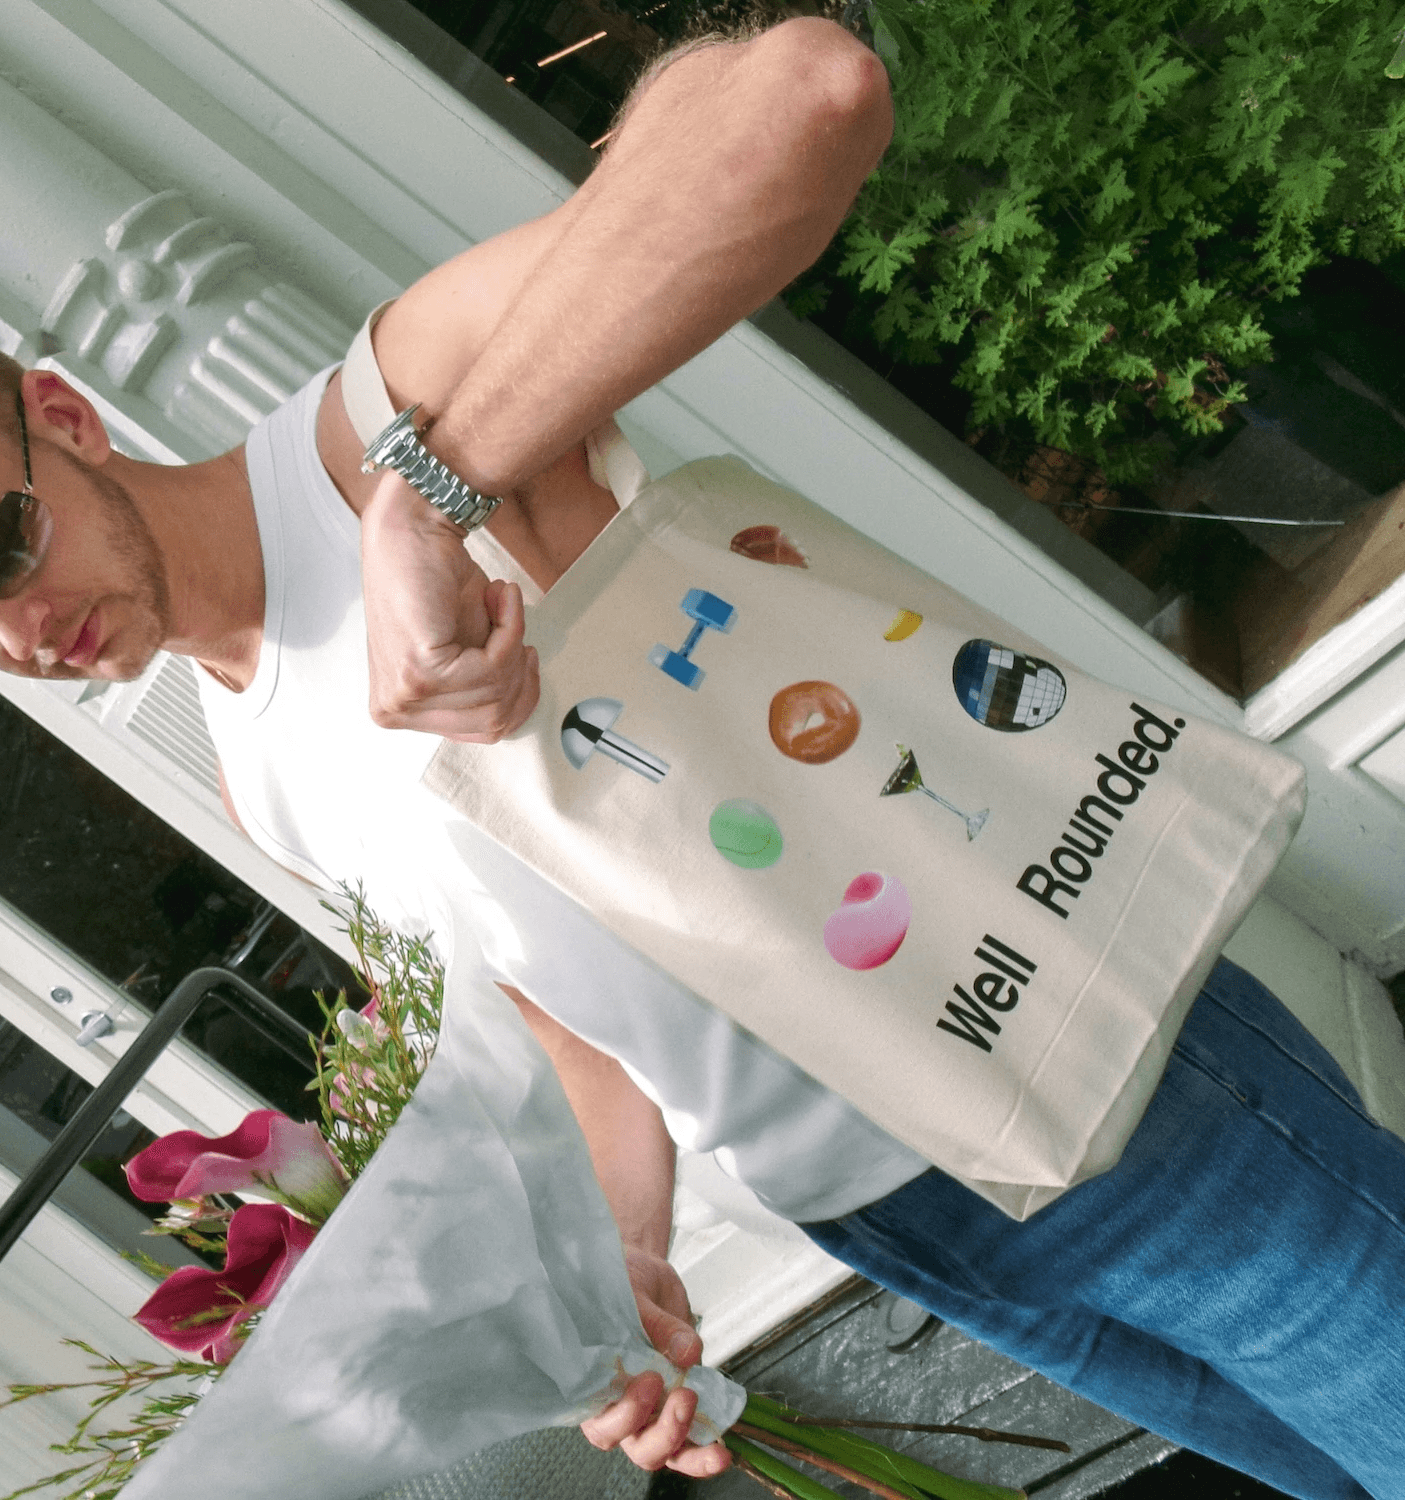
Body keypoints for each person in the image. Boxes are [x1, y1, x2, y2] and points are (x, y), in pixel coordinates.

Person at [1, 20, 1402, 1499]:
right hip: (887, 1218)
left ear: (66, 418)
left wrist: (423, 498)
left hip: (1050, 1064)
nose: (23, 632)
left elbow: (804, 94)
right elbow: (576, 1022)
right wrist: (625, 1248)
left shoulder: (370, 424)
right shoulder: (253, 777)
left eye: (8, 542)